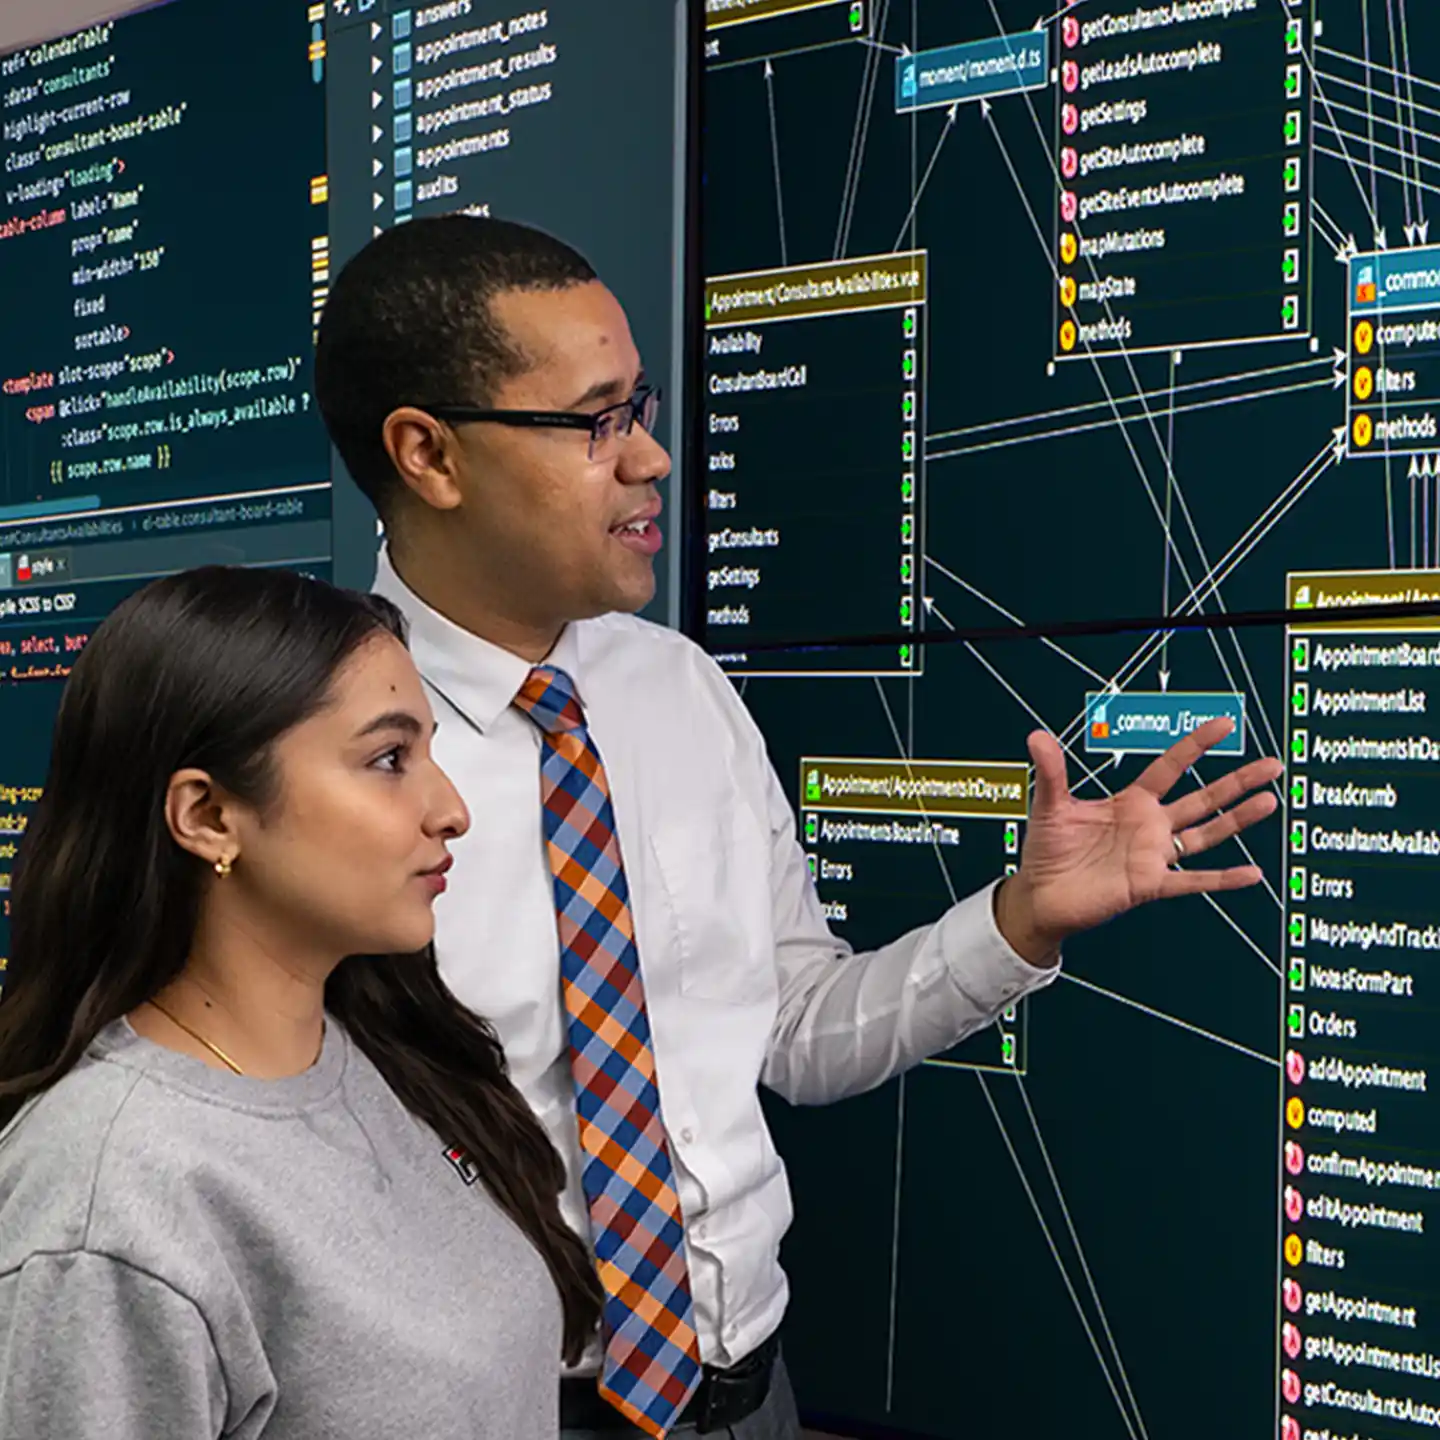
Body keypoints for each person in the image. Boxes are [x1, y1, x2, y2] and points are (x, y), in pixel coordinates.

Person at [313, 215, 1283, 1439]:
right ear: (428, 454)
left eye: (644, 407)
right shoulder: (312, 742)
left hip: (753, 1398)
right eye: (597, 420)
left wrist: (1020, 921)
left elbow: (792, 1030)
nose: (654, 459)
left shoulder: (679, 693)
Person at [0, 565, 602, 1439]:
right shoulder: (111, 1214)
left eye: (431, 751)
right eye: (389, 759)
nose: (451, 809)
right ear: (207, 816)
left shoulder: (385, 1055)